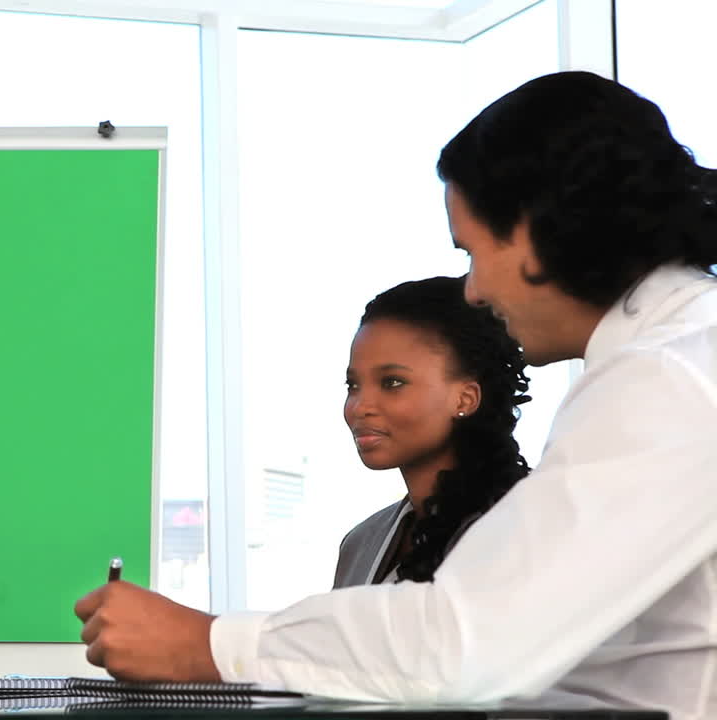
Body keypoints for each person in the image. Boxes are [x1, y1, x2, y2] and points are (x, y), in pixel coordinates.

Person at [74, 70, 717, 718]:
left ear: (536, 233)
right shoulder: (685, 354)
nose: (472, 291)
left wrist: (206, 644)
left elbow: (465, 642)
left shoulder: (667, 379)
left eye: (471, 251)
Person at [335, 276, 530, 588]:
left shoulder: (525, 523)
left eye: (392, 382)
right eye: (353, 385)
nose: (359, 406)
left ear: (466, 398)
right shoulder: (359, 544)